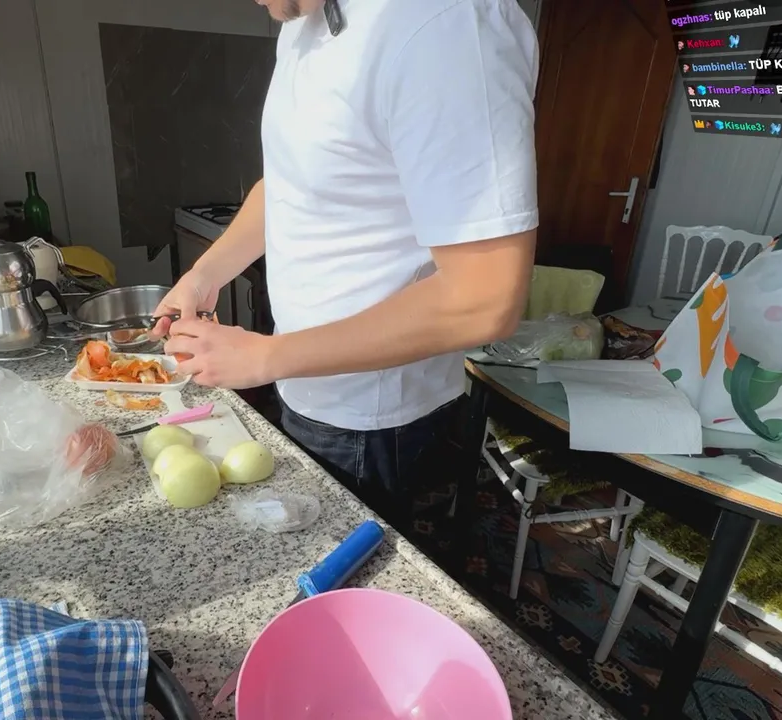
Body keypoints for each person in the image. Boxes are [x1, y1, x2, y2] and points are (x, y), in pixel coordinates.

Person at [150, 0, 539, 526]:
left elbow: (485, 297)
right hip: (302, 382)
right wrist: (204, 275)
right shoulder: (302, 22)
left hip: (369, 419)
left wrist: (266, 357)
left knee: (349, 567)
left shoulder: (446, 26)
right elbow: (288, 182)